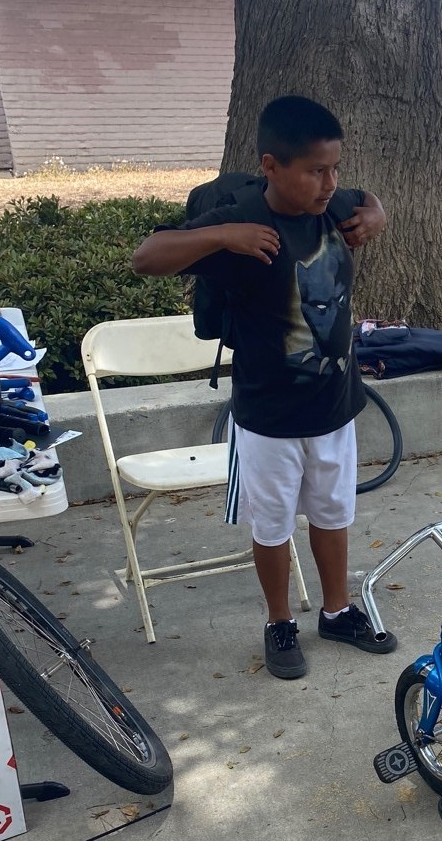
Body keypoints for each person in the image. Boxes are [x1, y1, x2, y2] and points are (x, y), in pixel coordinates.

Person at [132, 95, 396, 680]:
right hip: (269, 415)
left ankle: (336, 610)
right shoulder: (244, 221)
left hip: (333, 406)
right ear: (272, 165)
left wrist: (378, 213)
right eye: (314, 171)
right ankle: (280, 621)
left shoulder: (337, 206)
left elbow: (369, 202)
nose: (329, 184)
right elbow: (146, 257)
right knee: (272, 524)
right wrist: (225, 236)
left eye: (335, 168)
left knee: (332, 513)